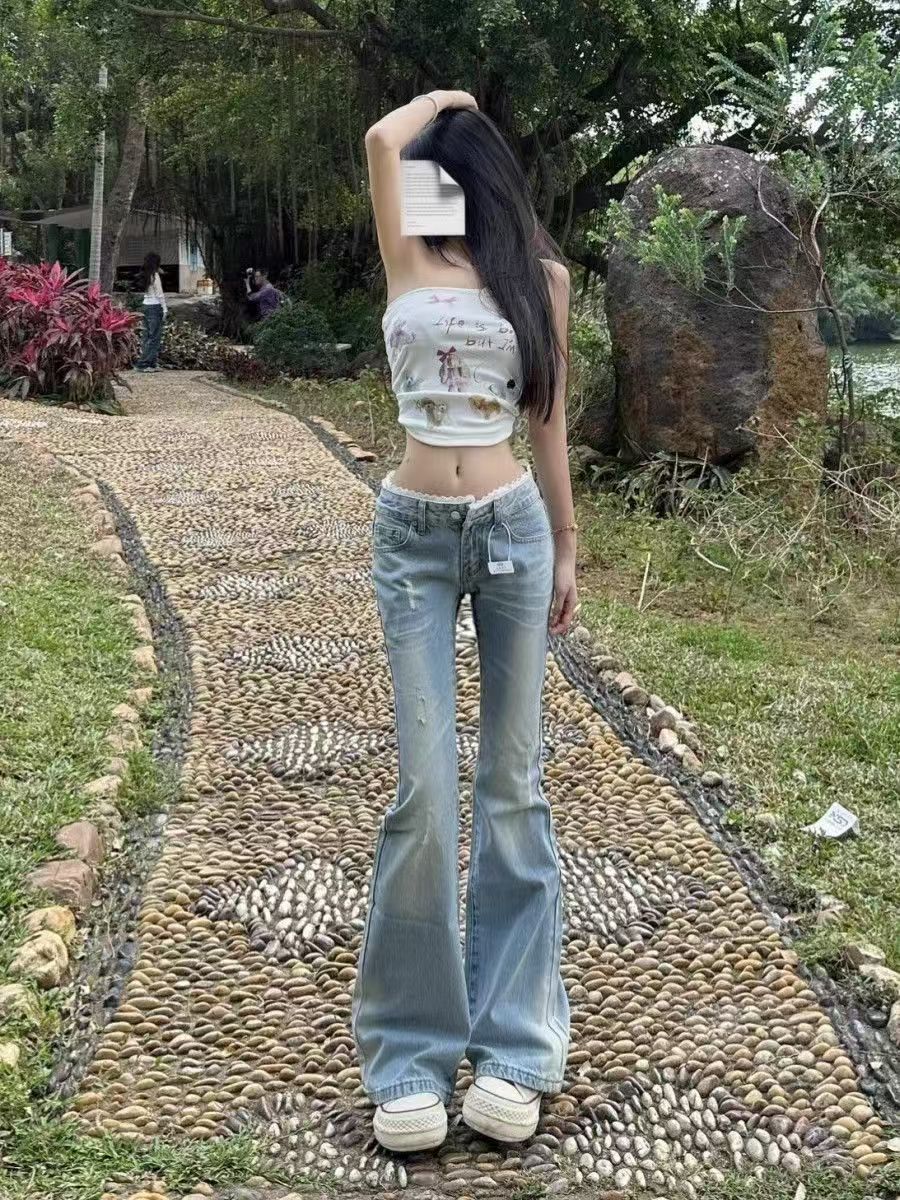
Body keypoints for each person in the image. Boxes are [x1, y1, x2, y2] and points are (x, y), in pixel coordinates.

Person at [351, 89, 578, 1155]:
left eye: (446, 174)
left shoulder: (541, 283)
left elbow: (549, 425)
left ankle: (519, 1047)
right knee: (426, 793)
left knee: (513, 788)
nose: (424, 189)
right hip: (413, 536)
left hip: (514, 533)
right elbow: (380, 138)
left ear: (480, 182)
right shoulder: (406, 254)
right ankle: (409, 1054)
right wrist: (446, 103)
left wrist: (567, 547)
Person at [133, 252, 167, 372]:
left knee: (147, 336)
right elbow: (159, 294)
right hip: (155, 306)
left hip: (146, 306)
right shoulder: (155, 275)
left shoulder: (145, 275)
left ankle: (151, 363)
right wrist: (164, 308)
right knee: (154, 337)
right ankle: (144, 364)